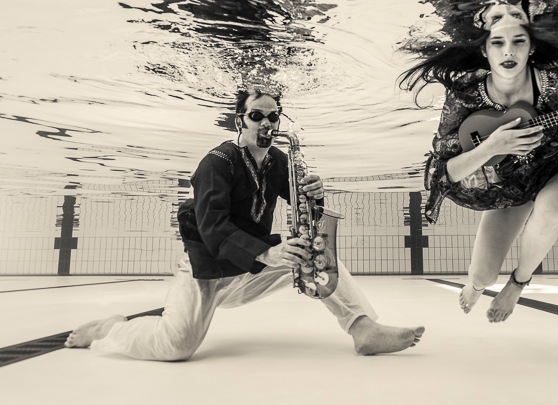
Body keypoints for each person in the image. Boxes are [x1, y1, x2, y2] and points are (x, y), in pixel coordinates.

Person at [65, 89, 424, 359]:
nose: (266, 123)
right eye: (256, 115)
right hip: (206, 269)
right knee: (176, 347)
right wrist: (270, 253)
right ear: (240, 121)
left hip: (251, 267)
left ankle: (363, 328)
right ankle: (111, 329)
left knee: (319, 257)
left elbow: (303, 207)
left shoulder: (279, 161)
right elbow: (212, 229)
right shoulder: (216, 163)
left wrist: (315, 194)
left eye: (273, 117)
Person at [398, 2, 558, 323]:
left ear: (531, 47)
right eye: (497, 42)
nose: (507, 51)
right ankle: (477, 285)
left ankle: (518, 283)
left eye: (518, 41)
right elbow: (441, 174)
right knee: (481, 276)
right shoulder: (465, 95)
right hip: (506, 192)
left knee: (551, 207)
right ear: (485, 50)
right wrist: (492, 147)